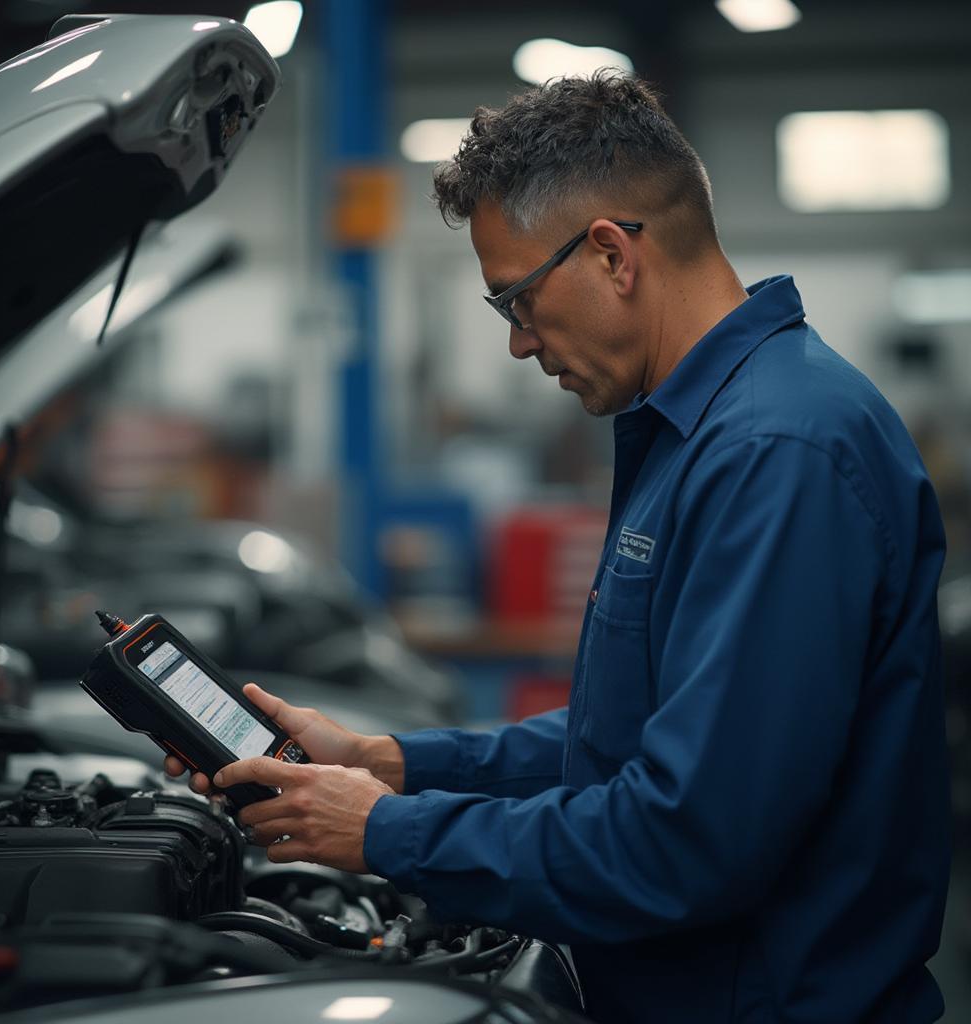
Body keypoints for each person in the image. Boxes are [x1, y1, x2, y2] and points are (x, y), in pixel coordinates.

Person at [166, 72, 951, 1022]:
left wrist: (391, 833)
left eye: (516, 303)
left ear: (614, 255)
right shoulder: (702, 433)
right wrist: (396, 766)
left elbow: (688, 839)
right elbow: (633, 743)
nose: (519, 345)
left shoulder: (775, 453)